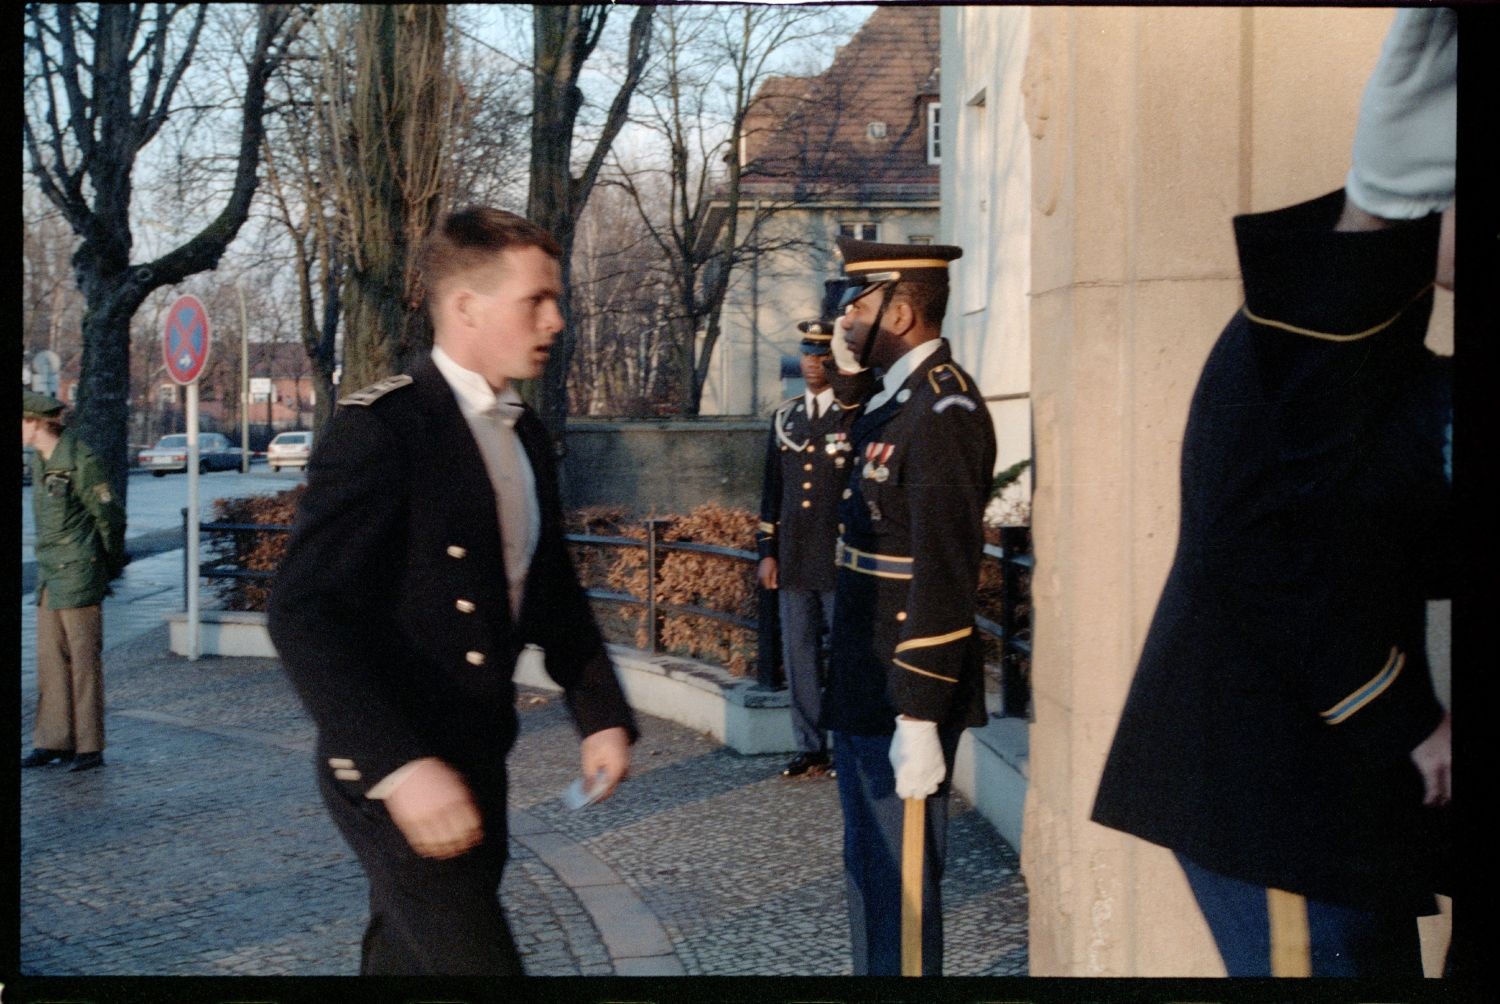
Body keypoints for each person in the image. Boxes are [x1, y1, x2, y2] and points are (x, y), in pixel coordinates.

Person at [1091, 8, 1455, 978]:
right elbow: (1262, 553)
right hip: (1276, 785)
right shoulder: (1316, 330)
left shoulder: (1368, 332)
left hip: (1308, 788)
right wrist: (1407, 721)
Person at [267, 207, 638, 975]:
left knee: (408, 960)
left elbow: (550, 591)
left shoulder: (523, 431)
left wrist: (600, 713)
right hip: (390, 763)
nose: (557, 319)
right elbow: (304, 611)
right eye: (535, 300)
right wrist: (401, 767)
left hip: (478, 752)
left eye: (555, 299)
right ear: (467, 306)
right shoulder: (385, 427)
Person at [821, 238, 996, 975]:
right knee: (870, 872)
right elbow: (864, 456)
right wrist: (853, 374)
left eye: (857, 306)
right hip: (869, 676)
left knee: (903, 887)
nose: (844, 319)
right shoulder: (901, 400)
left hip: (903, 685)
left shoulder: (943, 409)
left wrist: (920, 711)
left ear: (901, 307)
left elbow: (946, 569)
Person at [757, 282, 857, 780]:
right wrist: (766, 551)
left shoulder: (854, 417)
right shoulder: (785, 420)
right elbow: (770, 495)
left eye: (822, 354)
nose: (814, 363)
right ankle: (810, 746)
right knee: (798, 658)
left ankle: (846, 744)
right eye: (808, 354)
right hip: (794, 556)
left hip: (839, 557)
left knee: (842, 654)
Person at [21, 390, 127, 774]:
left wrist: (107, 564)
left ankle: (89, 746)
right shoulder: (40, 460)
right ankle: (53, 740)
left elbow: (110, 517)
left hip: (80, 571)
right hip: (50, 573)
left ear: (36, 422)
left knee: (83, 661)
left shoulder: (81, 461)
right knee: (50, 659)